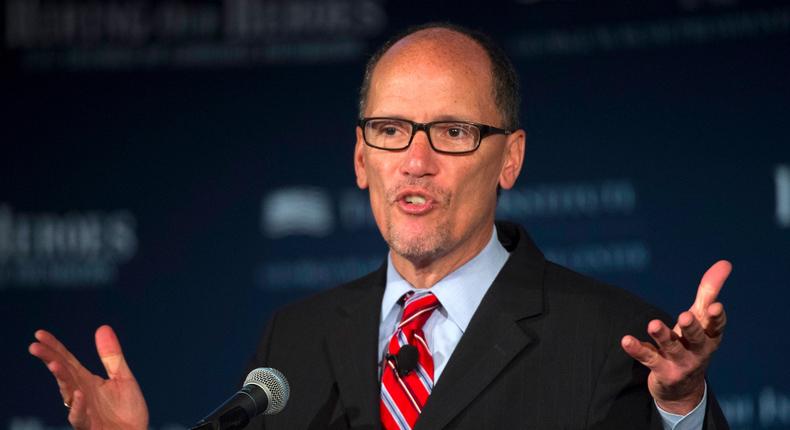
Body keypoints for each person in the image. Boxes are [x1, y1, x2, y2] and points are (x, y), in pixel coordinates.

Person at [29, 23, 731, 430]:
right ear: (361, 157)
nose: (416, 162)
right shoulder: (296, 337)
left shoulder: (617, 338)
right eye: (391, 130)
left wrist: (680, 409)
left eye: (453, 131)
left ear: (509, 158)